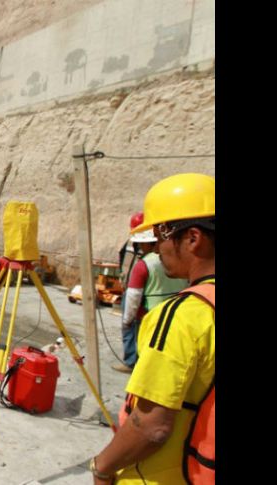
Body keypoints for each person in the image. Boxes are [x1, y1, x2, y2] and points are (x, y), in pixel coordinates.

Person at [91, 173, 215, 484]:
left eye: (160, 236)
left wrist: (102, 468)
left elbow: (152, 426)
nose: (157, 248)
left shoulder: (183, 316)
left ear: (193, 238)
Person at [113, 212, 188, 374]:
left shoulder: (144, 264)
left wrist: (127, 318)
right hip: (173, 308)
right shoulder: (180, 262)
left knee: (139, 336)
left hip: (147, 310)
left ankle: (133, 363)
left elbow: (134, 295)